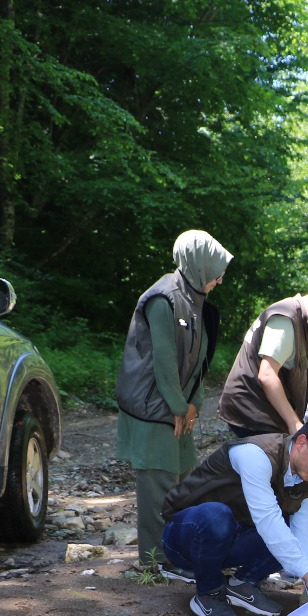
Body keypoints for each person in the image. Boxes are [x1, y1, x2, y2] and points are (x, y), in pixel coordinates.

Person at [161, 413, 308, 616]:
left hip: (233, 540)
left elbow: (305, 532)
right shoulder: (254, 454)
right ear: (301, 442)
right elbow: (267, 520)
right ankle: (209, 593)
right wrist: (307, 570)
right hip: (184, 540)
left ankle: (242, 583)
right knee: (216, 516)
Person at [115, 229, 231, 574]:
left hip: (178, 406)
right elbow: (163, 360)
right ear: (199, 264)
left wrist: (193, 401)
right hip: (152, 408)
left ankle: (177, 553)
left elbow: (199, 359)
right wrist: (180, 407)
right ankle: (156, 561)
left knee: (183, 481)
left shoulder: (195, 298)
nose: (220, 279)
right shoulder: (162, 298)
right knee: (158, 487)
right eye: (217, 270)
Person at [217, 284, 308, 437]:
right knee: (272, 458)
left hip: (260, 408)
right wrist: (293, 423)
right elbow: (267, 375)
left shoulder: (300, 321)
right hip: (251, 410)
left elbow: (296, 374)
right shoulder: (285, 320)